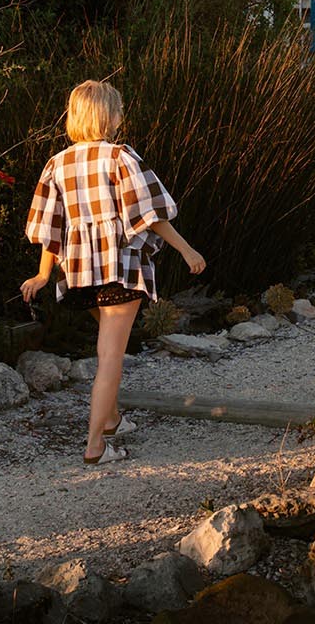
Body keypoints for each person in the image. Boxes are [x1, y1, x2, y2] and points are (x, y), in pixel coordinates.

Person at [20, 79, 206, 465]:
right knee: (110, 358)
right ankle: (95, 445)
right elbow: (149, 214)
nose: (122, 116)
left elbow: (49, 228)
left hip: (77, 275)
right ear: (109, 115)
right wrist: (186, 249)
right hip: (119, 269)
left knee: (106, 347)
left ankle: (113, 420)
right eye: (119, 109)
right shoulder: (120, 156)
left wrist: (42, 275)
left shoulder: (58, 163)